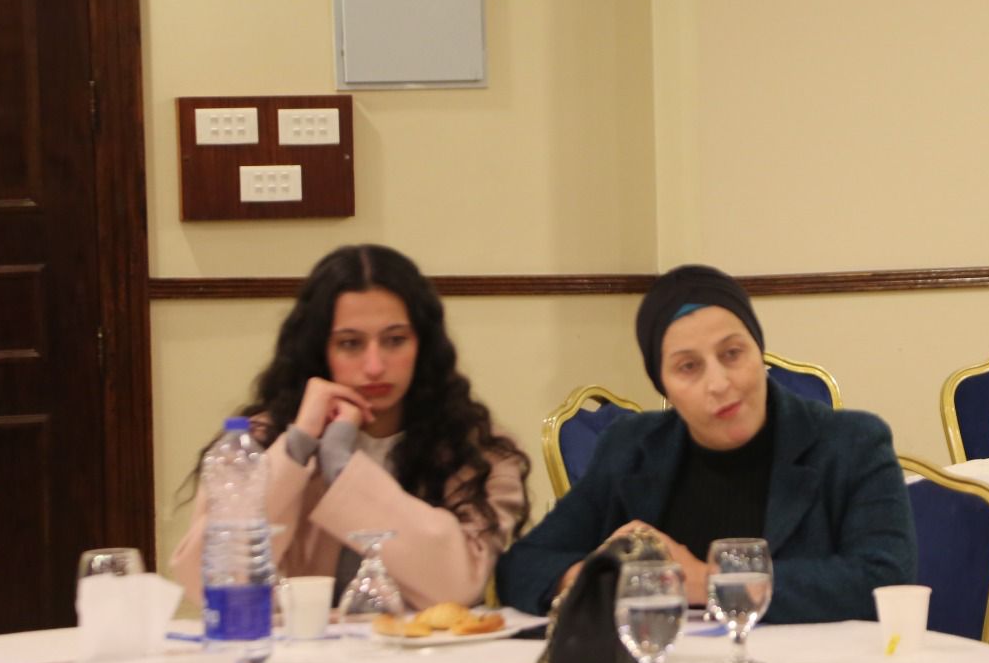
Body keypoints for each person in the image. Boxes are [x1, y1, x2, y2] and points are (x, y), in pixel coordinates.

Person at [496, 264, 916, 623]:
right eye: (688, 367)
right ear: (663, 385)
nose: (718, 383)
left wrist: (704, 583)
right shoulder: (631, 447)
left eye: (732, 354)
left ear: (759, 351)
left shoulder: (851, 442)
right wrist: (598, 577)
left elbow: (885, 579)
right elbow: (523, 565)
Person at [171, 244, 546, 610]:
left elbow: (457, 588)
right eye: (350, 344)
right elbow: (207, 584)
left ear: (423, 346)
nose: (374, 366)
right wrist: (297, 446)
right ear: (319, 350)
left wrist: (341, 466)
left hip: (419, 650)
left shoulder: (478, 449)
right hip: (296, 649)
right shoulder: (255, 443)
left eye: (395, 341)